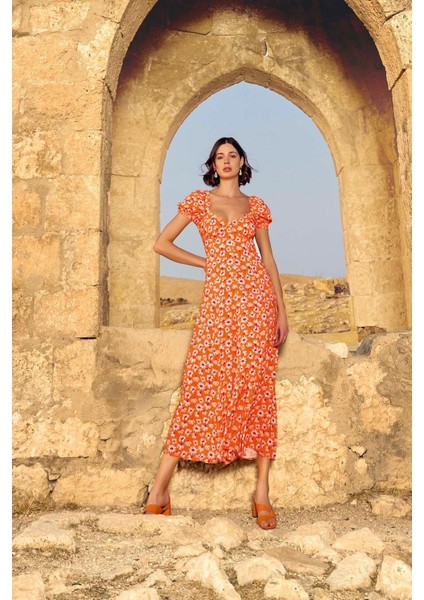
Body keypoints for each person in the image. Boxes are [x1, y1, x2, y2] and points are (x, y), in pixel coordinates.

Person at [144, 137, 289, 529]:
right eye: (219, 157)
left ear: (242, 162)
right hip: (218, 305)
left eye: (232, 156)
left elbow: (268, 259)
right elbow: (162, 244)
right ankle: (159, 489)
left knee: (259, 389)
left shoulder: (256, 206)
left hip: (257, 303)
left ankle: (262, 493)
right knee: (200, 384)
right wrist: (207, 262)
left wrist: (281, 310)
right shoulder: (198, 201)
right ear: (213, 165)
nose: (226, 161)